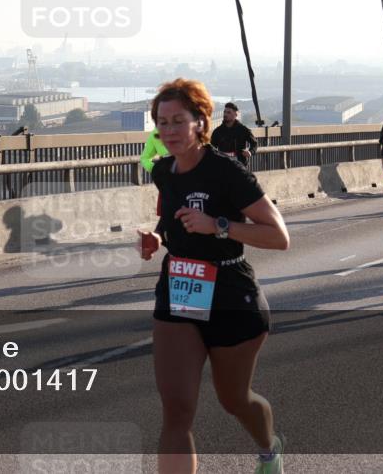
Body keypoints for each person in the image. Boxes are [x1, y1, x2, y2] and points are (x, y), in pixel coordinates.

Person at [136, 78, 289, 474]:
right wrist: (158, 237)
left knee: (234, 400)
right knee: (176, 411)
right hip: (180, 289)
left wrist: (218, 225)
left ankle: (269, 448)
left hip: (231, 293)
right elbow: (173, 220)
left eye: (178, 121)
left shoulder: (227, 171)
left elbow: (278, 236)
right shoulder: (163, 172)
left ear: (201, 122)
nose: (168, 131)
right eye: (162, 123)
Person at [210, 102, 259, 168]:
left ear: (236, 114)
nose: (225, 114)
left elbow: (254, 143)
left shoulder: (243, 130)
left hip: (239, 166)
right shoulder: (217, 131)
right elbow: (212, 148)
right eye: (225, 112)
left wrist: (250, 152)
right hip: (222, 166)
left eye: (229, 112)